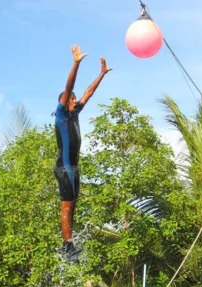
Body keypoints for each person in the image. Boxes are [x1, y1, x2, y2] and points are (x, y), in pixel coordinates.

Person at [54, 44, 112, 259]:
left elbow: (88, 92)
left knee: (74, 205)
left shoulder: (75, 112)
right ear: (63, 100)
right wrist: (76, 63)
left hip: (74, 168)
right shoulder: (61, 114)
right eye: (70, 98)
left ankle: (68, 243)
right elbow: (69, 86)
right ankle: (68, 244)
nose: (74, 100)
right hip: (64, 168)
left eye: (73, 99)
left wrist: (101, 74)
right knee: (67, 206)